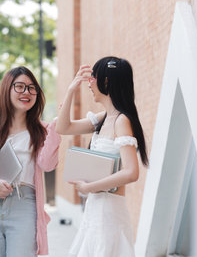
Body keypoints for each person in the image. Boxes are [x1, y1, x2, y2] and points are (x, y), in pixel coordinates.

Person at [0, 66, 61, 257]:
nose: (27, 92)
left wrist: (57, 128)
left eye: (32, 88)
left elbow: (48, 165)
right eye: (20, 86)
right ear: (7, 89)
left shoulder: (43, 131)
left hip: (24, 205)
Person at [56, 56, 148, 257]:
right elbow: (62, 127)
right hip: (95, 209)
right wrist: (71, 89)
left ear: (106, 81)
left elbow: (132, 172)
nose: (90, 82)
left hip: (109, 211)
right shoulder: (104, 118)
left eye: (94, 77)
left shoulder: (122, 121)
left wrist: (89, 187)